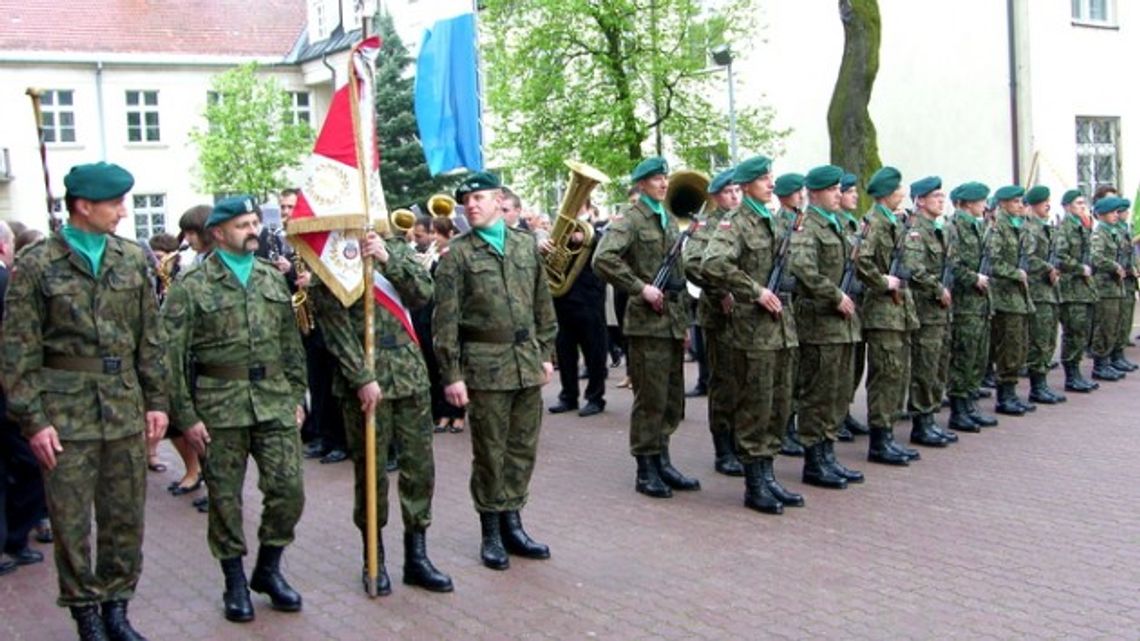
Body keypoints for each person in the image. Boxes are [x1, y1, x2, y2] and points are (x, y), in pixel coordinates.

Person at [1, 162, 169, 641]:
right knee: (71, 522)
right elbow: (17, 350)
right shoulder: (37, 264)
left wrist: (157, 401)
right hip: (64, 413)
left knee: (124, 517)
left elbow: (150, 338)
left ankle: (117, 606)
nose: (122, 211)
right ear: (83, 206)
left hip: (122, 406)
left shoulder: (132, 258)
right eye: (114, 202)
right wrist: (33, 421)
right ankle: (86, 613)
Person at [163, 196, 307, 623]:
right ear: (219, 232)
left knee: (289, 491)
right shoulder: (191, 285)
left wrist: (298, 394)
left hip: (274, 401)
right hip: (219, 407)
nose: (253, 231)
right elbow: (170, 356)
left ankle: (268, 569)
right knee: (225, 501)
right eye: (243, 224)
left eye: (254, 223)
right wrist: (185, 416)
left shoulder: (269, 278)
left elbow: (290, 343)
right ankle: (233, 581)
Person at [310, 227, 453, 595]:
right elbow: (333, 325)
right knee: (371, 472)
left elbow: (423, 294)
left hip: (409, 375)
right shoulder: (331, 258)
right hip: (365, 382)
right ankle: (373, 557)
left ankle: (417, 558)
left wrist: (388, 261)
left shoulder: (394, 249)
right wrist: (361, 375)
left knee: (419, 468)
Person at [433, 171, 557, 570]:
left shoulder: (524, 246)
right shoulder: (458, 255)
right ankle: (490, 530)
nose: (472, 205)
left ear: (498, 200)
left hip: (525, 362)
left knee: (522, 447)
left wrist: (546, 352)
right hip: (485, 366)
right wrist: (451, 374)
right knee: (490, 451)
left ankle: (513, 522)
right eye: (466, 200)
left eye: (480, 197)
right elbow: (445, 322)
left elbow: (543, 305)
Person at [594, 157, 701, 499]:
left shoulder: (667, 218)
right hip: (646, 323)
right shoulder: (630, 219)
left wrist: (683, 323)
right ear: (641, 184)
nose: (663, 183)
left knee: (671, 398)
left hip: (670, 318)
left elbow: (679, 274)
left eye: (665, 177)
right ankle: (645, 467)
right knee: (650, 398)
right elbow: (603, 259)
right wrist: (640, 287)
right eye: (656, 179)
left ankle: (663, 459)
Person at [702, 155, 803, 513]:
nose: (771, 183)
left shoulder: (775, 221)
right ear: (745, 186)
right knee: (756, 406)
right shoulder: (736, 223)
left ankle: (769, 476)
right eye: (763, 179)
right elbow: (712, 263)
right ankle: (754, 484)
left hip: (782, 330)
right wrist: (753, 290)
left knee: (779, 404)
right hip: (753, 332)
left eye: (771, 177)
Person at [856, 166, 927, 463]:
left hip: (899, 311)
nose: (902, 194)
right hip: (883, 312)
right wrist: (883, 281)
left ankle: (888, 434)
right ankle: (879, 440)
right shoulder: (873, 223)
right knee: (885, 374)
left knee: (897, 374)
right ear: (886, 194)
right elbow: (861, 260)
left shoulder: (894, 222)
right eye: (898, 189)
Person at [682, 168, 744, 476]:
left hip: (747, 315)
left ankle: (742, 442)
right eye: (729, 191)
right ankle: (724, 449)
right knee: (724, 382)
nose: (735, 196)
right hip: (719, 314)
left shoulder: (745, 221)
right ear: (717, 196)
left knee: (745, 381)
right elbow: (693, 264)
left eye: (737, 190)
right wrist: (720, 290)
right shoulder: (706, 225)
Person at [0, 220, 49, 577]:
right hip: (8, 396)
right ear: (5, 247)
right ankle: (12, 539)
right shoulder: (7, 284)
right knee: (32, 462)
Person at [902, 176, 960, 444]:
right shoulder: (916, 231)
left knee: (938, 365)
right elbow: (914, 268)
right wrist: (937, 288)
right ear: (920, 200)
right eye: (935, 196)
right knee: (925, 367)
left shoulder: (940, 229)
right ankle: (921, 422)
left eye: (942, 196)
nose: (941, 200)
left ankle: (931, 417)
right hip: (926, 309)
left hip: (941, 311)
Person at [945, 183, 1001, 431]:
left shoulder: (979, 226)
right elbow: (952, 265)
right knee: (963, 358)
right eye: (980, 201)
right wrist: (974, 278)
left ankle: (970, 405)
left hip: (979, 304)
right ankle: (959, 410)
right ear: (967, 203)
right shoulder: (955, 227)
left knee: (977, 357)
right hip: (965, 304)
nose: (984, 205)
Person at [545, 202, 608, 418]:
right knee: (565, 351)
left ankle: (595, 397)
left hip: (589, 300)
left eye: (579, 203)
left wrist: (589, 240)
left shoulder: (598, 231)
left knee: (594, 351)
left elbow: (608, 252)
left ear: (588, 207)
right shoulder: (560, 230)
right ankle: (568, 396)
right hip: (563, 299)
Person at [989, 185, 1037, 415]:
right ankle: (1004, 396)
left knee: (1018, 347)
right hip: (1004, 297)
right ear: (1004, 204)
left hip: (1019, 297)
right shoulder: (998, 228)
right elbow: (994, 263)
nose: (1021, 205)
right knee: (1008, 348)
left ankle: (1011, 392)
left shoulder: (1020, 226)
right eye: (1016, 201)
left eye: (1022, 201)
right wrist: (1015, 273)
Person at [773, 172, 808, 456]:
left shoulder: (800, 222)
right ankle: (783, 428)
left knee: (796, 374)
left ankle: (790, 426)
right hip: (784, 305)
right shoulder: (780, 224)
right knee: (785, 377)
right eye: (797, 192)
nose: (802, 196)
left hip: (798, 308)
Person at [1023, 186, 1067, 403]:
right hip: (1038, 291)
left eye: (1049, 201)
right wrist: (1047, 268)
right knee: (1039, 340)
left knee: (1049, 339)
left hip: (1050, 291)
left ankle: (1042, 383)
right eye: (1043, 202)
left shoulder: (1045, 227)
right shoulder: (1030, 229)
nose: (1048, 205)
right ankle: (1036, 385)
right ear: (1032, 205)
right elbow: (1029, 258)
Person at [838, 173, 870, 440]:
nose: (853, 197)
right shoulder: (836, 223)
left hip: (855, 305)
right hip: (836, 307)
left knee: (853, 365)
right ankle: (835, 418)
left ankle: (844, 413)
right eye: (849, 192)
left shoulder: (853, 224)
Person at [1089, 196, 1129, 380]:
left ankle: (1110, 359)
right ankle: (1100, 364)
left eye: (1116, 212)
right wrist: (1114, 266)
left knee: (1114, 325)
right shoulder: (1099, 234)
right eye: (1112, 212)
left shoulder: (1113, 232)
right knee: (1104, 325)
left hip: (1116, 286)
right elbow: (1096, 258)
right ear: (1102, 215)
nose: (1116, 215)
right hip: (1105, 287)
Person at [1112, 199, 1138, 371]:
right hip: (1116, 281)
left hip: (1127, 280)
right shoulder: (1113, 232)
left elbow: (1130, 255)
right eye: (1123, 212)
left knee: (1125, 318)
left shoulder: (1124, 230)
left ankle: (1118, 355)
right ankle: (1111, 357)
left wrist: (1134, 268)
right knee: (1116, 321)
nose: (1127, 215)